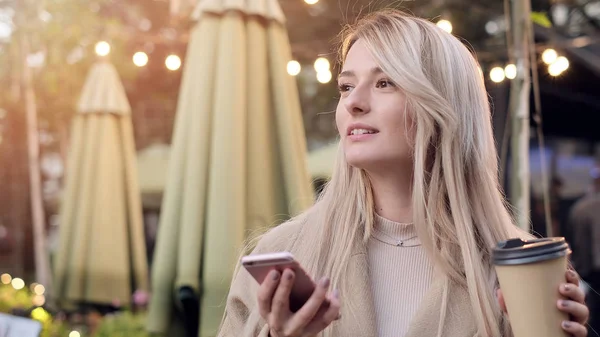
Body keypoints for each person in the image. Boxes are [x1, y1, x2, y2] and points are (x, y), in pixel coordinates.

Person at [217, 9, 589, 337]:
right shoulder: (283, 259)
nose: (353, 103)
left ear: (443, 107)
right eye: (346, 86)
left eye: (385, 83)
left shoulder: (520, 271)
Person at [569, 164, 600, 335]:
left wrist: (580, 271)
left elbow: (578, 245)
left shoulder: (580, 208)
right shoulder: (583, 209)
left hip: (593, 275)